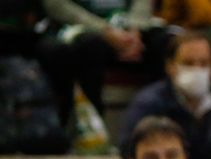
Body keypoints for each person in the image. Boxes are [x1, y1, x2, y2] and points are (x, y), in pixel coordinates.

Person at [115, 32, 211, 159]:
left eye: (204, 63)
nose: (197, 70)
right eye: (188, 63)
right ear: (170, 66)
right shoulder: (148, 105)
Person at [36, 0, 171, 128]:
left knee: (165, 43)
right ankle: (93, 128)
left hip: (130, 30)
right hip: (82, 28)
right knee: (89, 46)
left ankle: (167, 121)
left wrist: (134, 31)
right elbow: (56, 5)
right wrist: (105, 30)